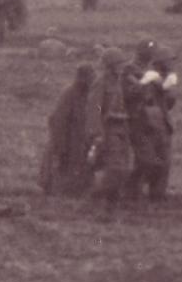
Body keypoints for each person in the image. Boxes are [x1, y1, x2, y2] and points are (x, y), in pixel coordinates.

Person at [126, 40, 177, 201]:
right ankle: (131, 192)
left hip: (159, 121)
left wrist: (167, 87)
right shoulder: (129, 70)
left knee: (164, 161)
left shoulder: (155, 73)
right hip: (141, 122)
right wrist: (144, 83)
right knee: (146, 161)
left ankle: (157, 195)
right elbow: (129, 96)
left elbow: (168, 103)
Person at [39, 63, 97, 197]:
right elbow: (58, 120)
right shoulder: (69, 94)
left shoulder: (89, 94)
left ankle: (77, 191)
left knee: (81, 166)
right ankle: (54, 191)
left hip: (81, 137)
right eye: (88, 78)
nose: (91, 81)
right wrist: (61, 145)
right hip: (67, 136)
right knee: (60, 164)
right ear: (81, 78)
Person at [87, 48, 133, 217]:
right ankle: (101, 201)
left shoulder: (118, 82)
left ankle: (112, 201)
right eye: (118, 64)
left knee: (123, 166)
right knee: (113, 167)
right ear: (110, 66)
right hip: (109, 129)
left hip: (121, 128)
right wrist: (97, 133)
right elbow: (95, 109)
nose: (122, 67)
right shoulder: (101, 83)